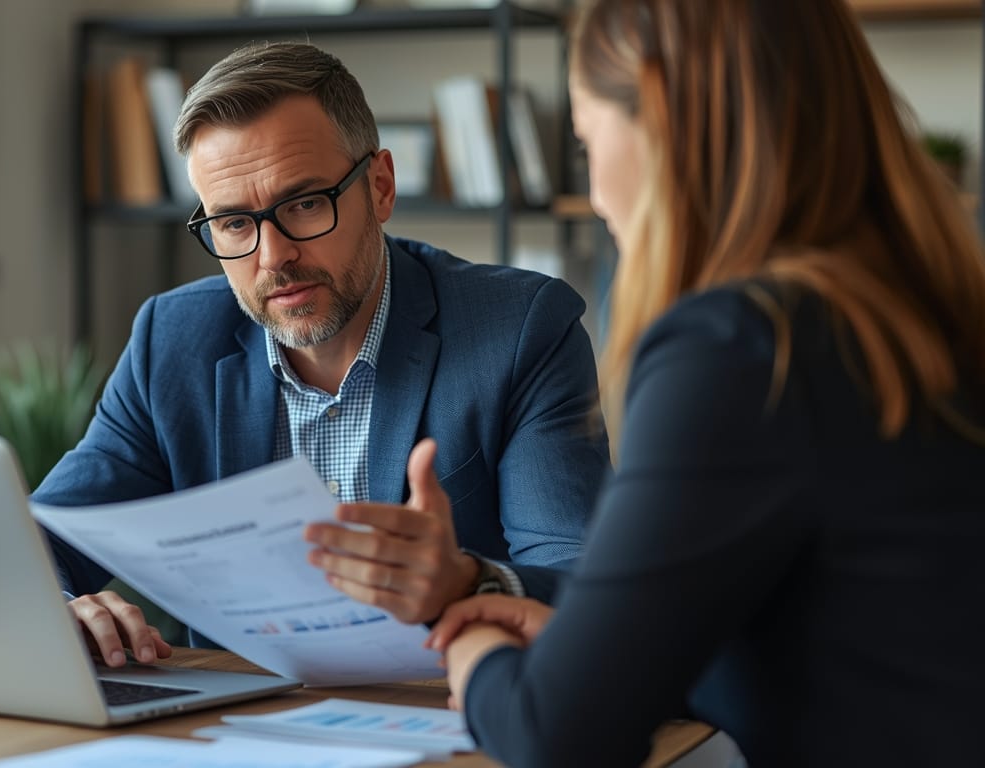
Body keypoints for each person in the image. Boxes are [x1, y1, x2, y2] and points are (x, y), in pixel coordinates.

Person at [414, 0, 985, 765]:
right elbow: (850, 643)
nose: (601, 192)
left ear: (656, 111)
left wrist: (473, 646)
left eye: (587, 144)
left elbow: (558, 737)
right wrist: (594, 650)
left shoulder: (742, 346)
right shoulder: (916, 310)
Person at [30, 41, 609, 669]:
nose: (272, 256)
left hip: (453, 718)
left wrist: (470, 582)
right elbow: (42, 538)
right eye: (233, 224)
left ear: (381, 188)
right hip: (240, 732)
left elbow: (583, 580)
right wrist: (59, 604)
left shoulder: (519, 330)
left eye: (305, 204)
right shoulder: (171, 340)